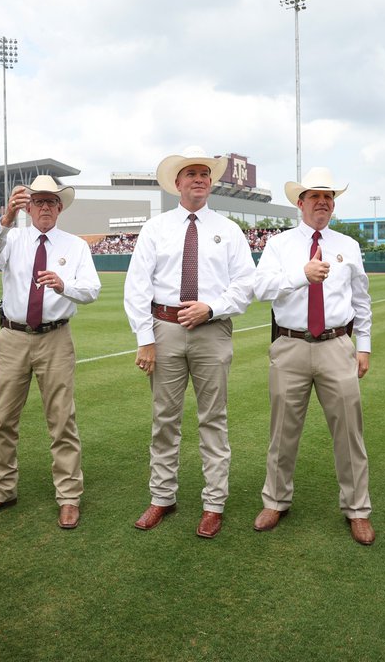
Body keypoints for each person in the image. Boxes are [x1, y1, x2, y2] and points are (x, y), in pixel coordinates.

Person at [124, 146, 256, 538]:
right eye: (191, 174)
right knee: (164, 418)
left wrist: (211, 308)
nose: (199, 179)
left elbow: (245, 284)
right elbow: (137, 286)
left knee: (213, 418)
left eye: (204, 174)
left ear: (210, 182)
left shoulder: (228, 229)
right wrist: (145, 339)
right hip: (164, 330)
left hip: (212, 331)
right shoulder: (156, 228)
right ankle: (162, 497)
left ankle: (214, 503)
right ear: (177, 183)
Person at [0, 176, 101, 530]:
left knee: (61, 419)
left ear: (59, 208)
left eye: (51, 202)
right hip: (13, 337)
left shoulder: (75, 246)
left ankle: (68, 496)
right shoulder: (12, 238)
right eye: (38, 201)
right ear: (28, 207)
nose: (45, 207)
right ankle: (1, 490)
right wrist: (5, 218)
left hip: (55, 338)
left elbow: (91, 290)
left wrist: (64, 285)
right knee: (2, 418)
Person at [251, 168, 375, 545]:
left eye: (328, 196)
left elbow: (361, 300)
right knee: (282, 430)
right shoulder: (279, 245)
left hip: (337, 345)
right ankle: (275, 500)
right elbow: (261, 288)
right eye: (314, 196)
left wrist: (364, 345)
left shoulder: (347, 245)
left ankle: (357, 509)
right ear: (300, 203)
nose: (322, 202)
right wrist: (301, 274)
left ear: (333, 204)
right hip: (289, 345)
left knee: (349, 432)